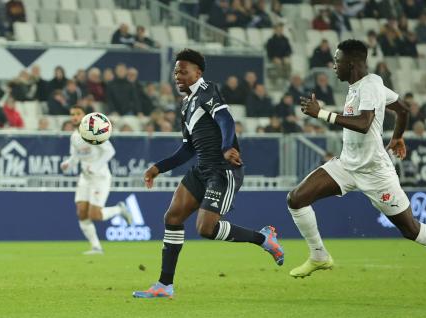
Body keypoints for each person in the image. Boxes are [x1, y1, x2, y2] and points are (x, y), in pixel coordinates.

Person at [288, 39, 426, 279]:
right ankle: (319, 256)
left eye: (337, 61)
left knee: (411, 229)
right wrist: (398, 137)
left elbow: (364, 124)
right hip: (347, 165)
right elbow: (403, 109)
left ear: (351, 64)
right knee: (297, 198)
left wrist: (322, 113)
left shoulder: (369, 86)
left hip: (375, 171)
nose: (334, 66)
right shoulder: (361, 85)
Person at [132, 49, 284, 299]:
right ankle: (164, 285)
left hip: (223, 171)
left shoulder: (207, 90)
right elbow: (187, 148)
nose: (178, 76)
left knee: (206, 228)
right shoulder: (186, 105)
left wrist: (227, 147)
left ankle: (263, 238)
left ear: (197, 73)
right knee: (172, 217)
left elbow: (225, 120)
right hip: (201, 169)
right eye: (175, 72)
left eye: (183, 71)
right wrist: (158, 167)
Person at [60, 105, 132, 254]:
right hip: (85, 178)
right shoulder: (74, 136)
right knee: (81, 212)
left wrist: (95, 166)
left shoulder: (94, 131)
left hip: (100, 177)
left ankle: (119, 209)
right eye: (72, 113)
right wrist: (68, 163)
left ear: (85, 115)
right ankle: (96, 247)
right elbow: (75, 157)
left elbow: (110, 151)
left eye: (78, 113)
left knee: (95, 215)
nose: (74, 116)